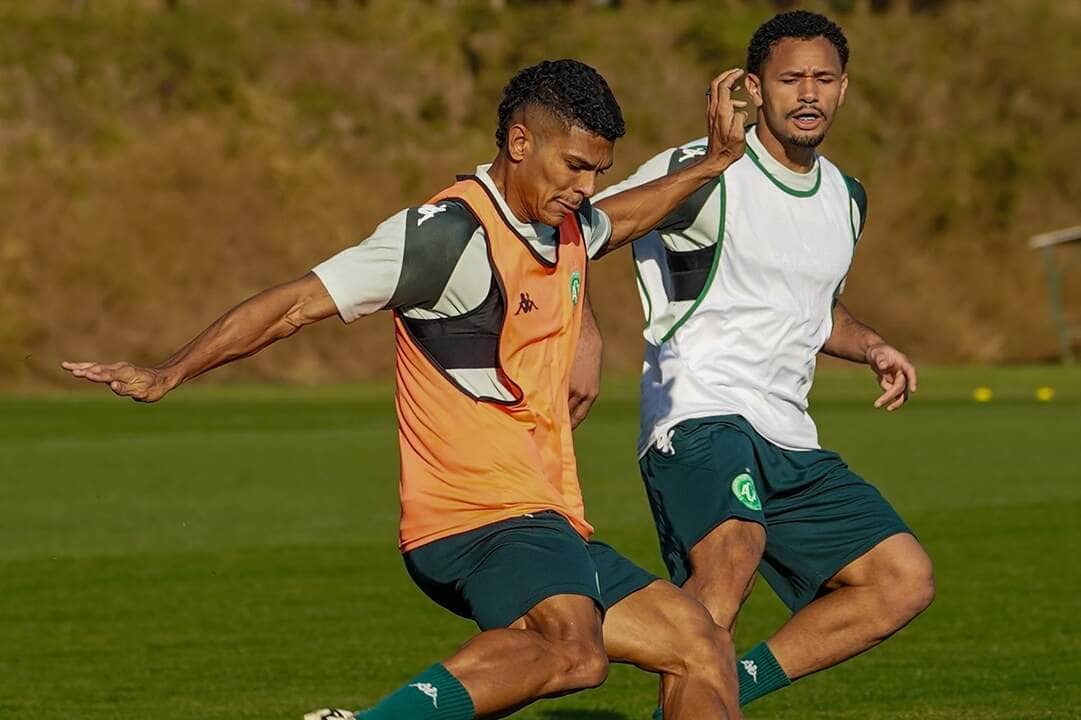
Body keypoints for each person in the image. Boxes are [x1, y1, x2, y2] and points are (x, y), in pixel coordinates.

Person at [63, 60, 749, 720]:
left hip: (541, 514)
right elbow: (295, 304)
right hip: (474, 514)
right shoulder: (443, 238)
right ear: (519, 142)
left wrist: (712, 163)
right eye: (573, 167)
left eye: (595, 172)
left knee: (697, 643)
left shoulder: (565, 225)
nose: (585, 187)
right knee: (575, 651)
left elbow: (626, 217)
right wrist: (170, 370)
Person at [591, 11, 935, 713]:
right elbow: (577, 233)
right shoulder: (704, 167)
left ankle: (713, 690)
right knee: (730, 555)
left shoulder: (845, 197)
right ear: (753, 87)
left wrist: (870, 346)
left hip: (787, 434)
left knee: (900, 579)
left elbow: (810, 309)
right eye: (788, 79)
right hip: (698, 414)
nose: (806, 94)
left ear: (843, 89)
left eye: (823, 78)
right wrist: (579, 337)